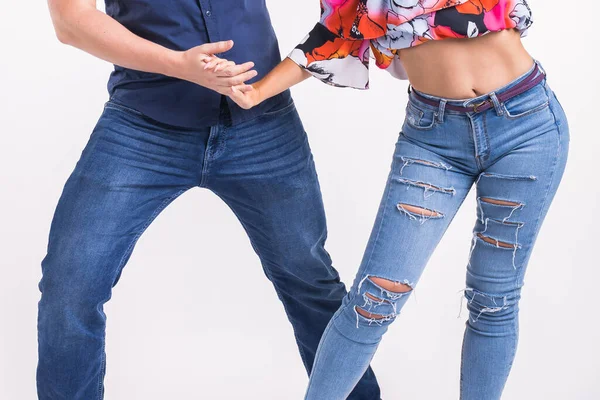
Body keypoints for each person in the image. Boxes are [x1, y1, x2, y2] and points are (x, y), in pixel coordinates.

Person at [226, 0, 569, 398]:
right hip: (433, 138)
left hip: (525, 123)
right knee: (371, 300)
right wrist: (256, 93)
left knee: (493, 297)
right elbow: (334, 33)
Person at [38, 0, 381, 398]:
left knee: (310, 280)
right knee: (70, 286)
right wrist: (176, 64)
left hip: (262, 120)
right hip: (142, 126)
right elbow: (70, 20)